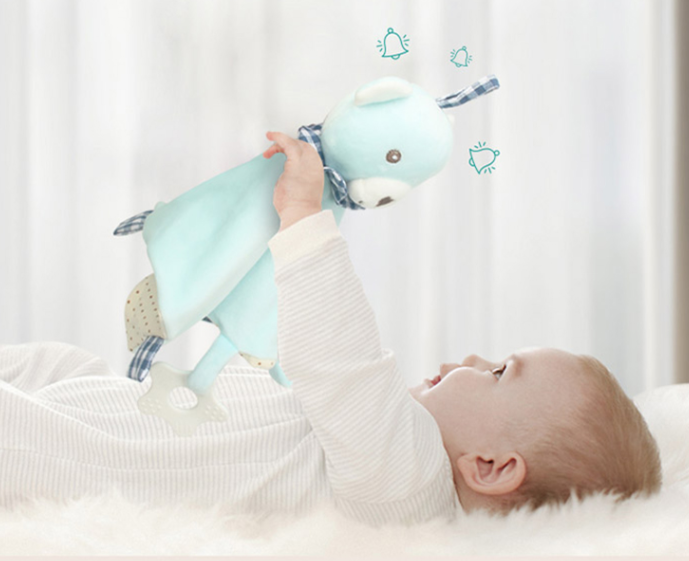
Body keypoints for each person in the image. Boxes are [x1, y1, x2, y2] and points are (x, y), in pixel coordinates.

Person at [0, 131, 661, 527]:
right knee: (61, 366)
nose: (468, 358)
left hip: (83, 457)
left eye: (497, 371)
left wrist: (304, 217)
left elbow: (342, 363)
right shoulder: (387, 460)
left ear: (489, 467)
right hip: (109, 410)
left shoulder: (409, 490)